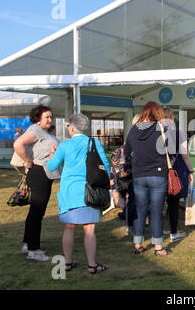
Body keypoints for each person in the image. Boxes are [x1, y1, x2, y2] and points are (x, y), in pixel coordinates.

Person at [47, 114, 110, 274]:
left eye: (68, 126)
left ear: (72, 128)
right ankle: (92, 265)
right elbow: (106, 167)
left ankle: (67, 263)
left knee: (69, 228)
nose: (67, 128)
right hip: (90, 190)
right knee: (89, 229)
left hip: (69, 192)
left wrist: (52, 156)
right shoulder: (94, 143)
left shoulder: (64, 145)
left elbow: (52, 165)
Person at [124, 102, 171, 255]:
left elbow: (126, 152)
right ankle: (158, 247)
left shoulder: (133, 129)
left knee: (140, 210)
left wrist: (134, 163)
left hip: (139, 175)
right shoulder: (163, 128)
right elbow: (172, 150)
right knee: (156, 211)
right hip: (158, 174)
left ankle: (138, 244)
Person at [13, 106, 58, 262]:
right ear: (38, 118)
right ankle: (34, 250)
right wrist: (27, 161)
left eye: (51, 117)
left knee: (35, 212)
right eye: (47, 117)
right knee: (37, 212)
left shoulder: (45, 132)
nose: (50, 120)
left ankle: (28, 244)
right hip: (39, 173)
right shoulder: (36, 129)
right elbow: (18, 144)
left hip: (44, 174)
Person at [163, 108, 194, 242]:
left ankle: (162, 229)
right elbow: (185, 154)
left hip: (158, 171)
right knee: (173, 202)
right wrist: (191, 170)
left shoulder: (155, 132)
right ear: (172, 117)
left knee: (159, 203)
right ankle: (173, 232)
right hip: (174, 171)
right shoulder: (177, 133)